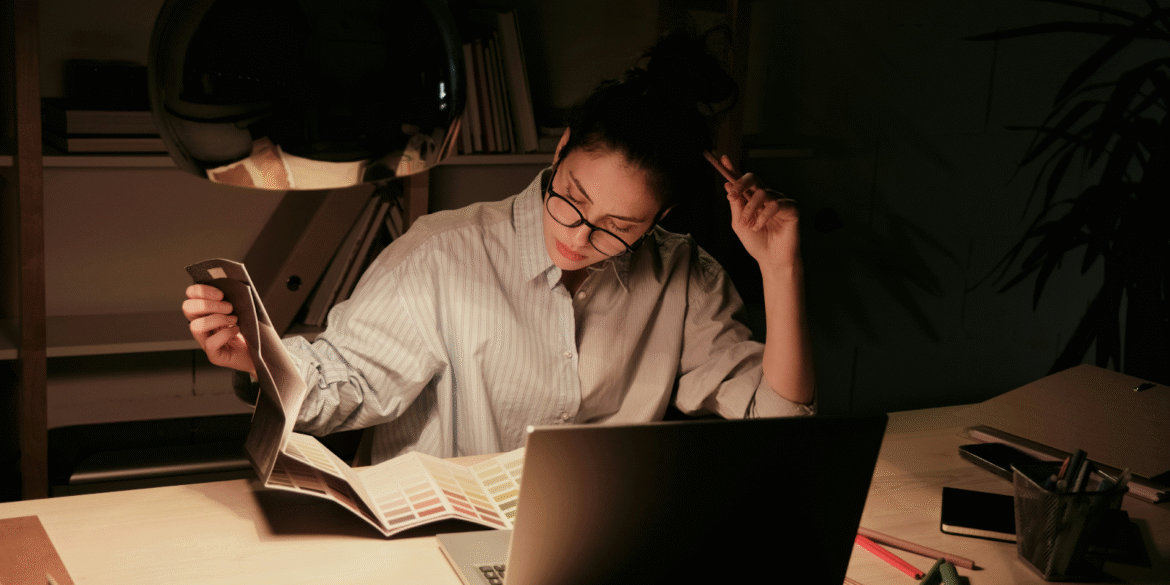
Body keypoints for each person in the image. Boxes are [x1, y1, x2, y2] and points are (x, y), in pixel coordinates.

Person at [183, 30, 815, 464]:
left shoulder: (683, 276)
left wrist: (779, 267)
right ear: (561, 149)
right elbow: (347, 380)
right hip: (438, 544)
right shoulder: (442, 254)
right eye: (572, 198)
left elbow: (781, 428)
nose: (576, 236)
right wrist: (253, 356)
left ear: (662, 219)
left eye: (619, 228)